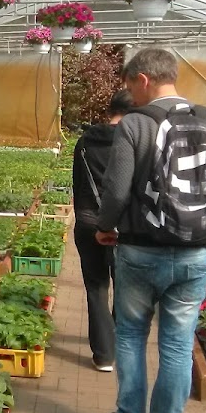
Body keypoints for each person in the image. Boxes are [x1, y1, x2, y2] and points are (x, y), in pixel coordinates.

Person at [96, 48, 206, 413]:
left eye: (131, 85)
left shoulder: (135, 124)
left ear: (143, 79)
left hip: (139, 251)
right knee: (178, 345)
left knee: (130, 335)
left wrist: (106, 226)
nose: (131, 94)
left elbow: (116, 190)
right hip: (195, 253)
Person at [71, 89, 135, 373]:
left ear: (110, 110)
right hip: (126, 226)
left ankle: (103, 355)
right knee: (125, 286)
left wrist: (85, 215)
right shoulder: (135, 140)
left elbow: (78, 183)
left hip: (89, 222)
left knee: (96, 288)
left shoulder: (85, 141)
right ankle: (118, 342)